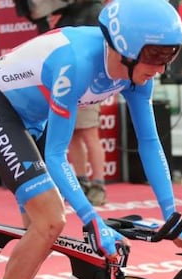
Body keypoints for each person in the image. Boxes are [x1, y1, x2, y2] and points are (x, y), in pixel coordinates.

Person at [0, 0, 182, 279]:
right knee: (50, 220)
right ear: (124, 47)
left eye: (169, 56)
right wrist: (92, 219)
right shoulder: (77, 63)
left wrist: (171, 213)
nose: (161, 67)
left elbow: (150, 143)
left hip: (33, 119)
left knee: (41, 230)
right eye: (154, 56)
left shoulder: (136, 73)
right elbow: (57, 156)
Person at [53, 0, 107, 206]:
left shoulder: (97, 10)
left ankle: (98, 186)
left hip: (89, 81)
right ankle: (81, 182)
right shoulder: (67, 13)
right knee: (73, 133)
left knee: (89, 133)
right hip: (67, 81)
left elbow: (101, 49)